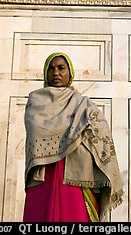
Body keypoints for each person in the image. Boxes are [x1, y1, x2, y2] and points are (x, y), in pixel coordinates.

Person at [22, 52, 124, 222]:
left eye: (61, 68)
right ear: (46, 73)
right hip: (44, 173)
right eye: (51, 68)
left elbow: (101, 129)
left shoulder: (82, 103)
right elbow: (35, 131)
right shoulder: (35, 101)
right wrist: (75, 131)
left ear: (70, 73)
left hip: (75, 173)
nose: (56, 73)